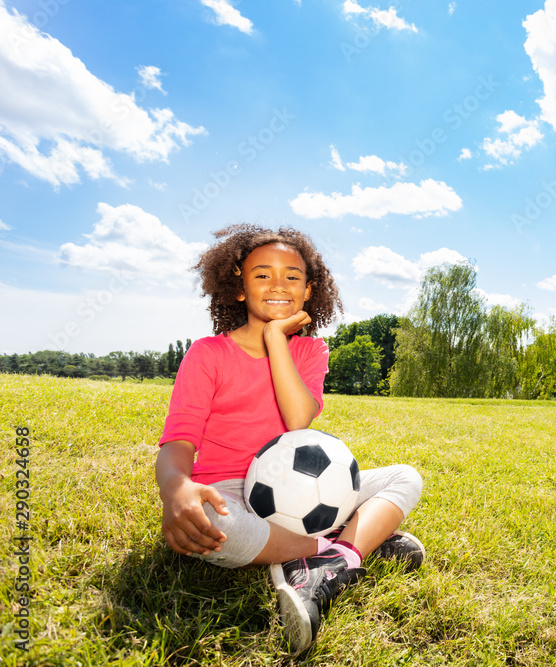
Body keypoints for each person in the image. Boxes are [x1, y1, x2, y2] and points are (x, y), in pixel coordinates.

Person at [155, 224, 423, 655]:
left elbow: (298, 418)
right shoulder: (208, 353)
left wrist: (276, 339)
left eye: (292, 276)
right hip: (228, 493)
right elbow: (179, 440)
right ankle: (344, 547)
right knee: (214, 523)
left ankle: (327, 563)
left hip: (301, 491)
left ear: (308, 291)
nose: (278, 284)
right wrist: (176, 487)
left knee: (405, 477)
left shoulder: (310, 352)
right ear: (238, 287)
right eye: (262, 275)